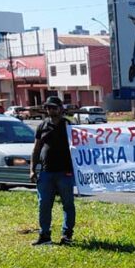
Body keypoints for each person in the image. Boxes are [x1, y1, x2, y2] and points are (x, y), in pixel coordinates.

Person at [28, 96, 76, 246]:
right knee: (44, 204)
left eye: (54, 107)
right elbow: (36, 149)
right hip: (46, 172)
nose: (51, 110)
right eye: (48, 107)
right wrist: (32, 170)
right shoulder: (42, 125)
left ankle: (67, 235)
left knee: (67, 204)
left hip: (65, 172)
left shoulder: (69, 125)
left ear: (61, 108)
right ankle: (45, 236)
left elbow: (79, 148)